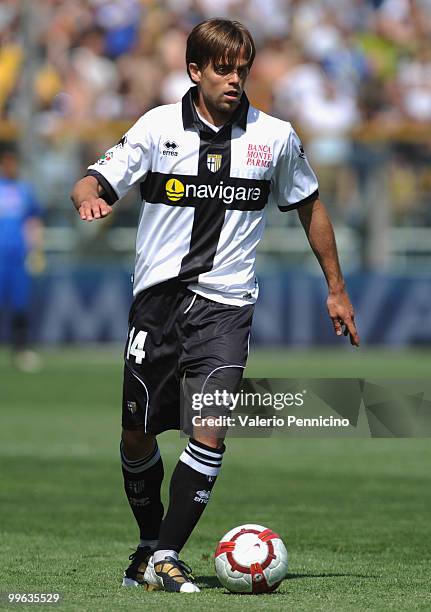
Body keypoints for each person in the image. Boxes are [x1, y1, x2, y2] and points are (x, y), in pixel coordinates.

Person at [71, 18, 360, 594]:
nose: (234, 78)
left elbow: (310, 204)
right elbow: (93, 180)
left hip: (226, 306)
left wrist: (336, 286)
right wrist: (90, 202)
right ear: (194, 70)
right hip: (157, 305)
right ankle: (152, 543)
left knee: (211, 428)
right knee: (136, 435)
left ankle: (169, 554)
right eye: (222, 68)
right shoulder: (157, 127)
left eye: (242, 68)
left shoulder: (274, 136)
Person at [0, 146, 44, 372]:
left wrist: (36, 251)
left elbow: (33, 222)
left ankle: (21, 349)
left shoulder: (24, 191)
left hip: (17, 257)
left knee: (20, 304)